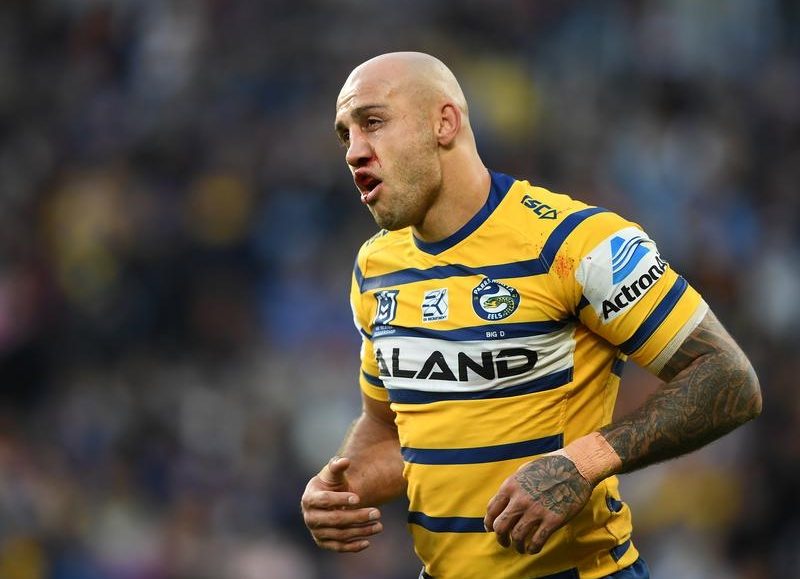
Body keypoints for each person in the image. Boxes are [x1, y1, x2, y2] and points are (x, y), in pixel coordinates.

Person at [301, 51, 762, 579]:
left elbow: (730, 378)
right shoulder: (376, 266)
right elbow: (390, 429)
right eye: (346, 135)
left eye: (373, 122)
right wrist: (343, 487)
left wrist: (583, 464)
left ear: (444, 123)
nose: (354, 152)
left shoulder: (575, 242)